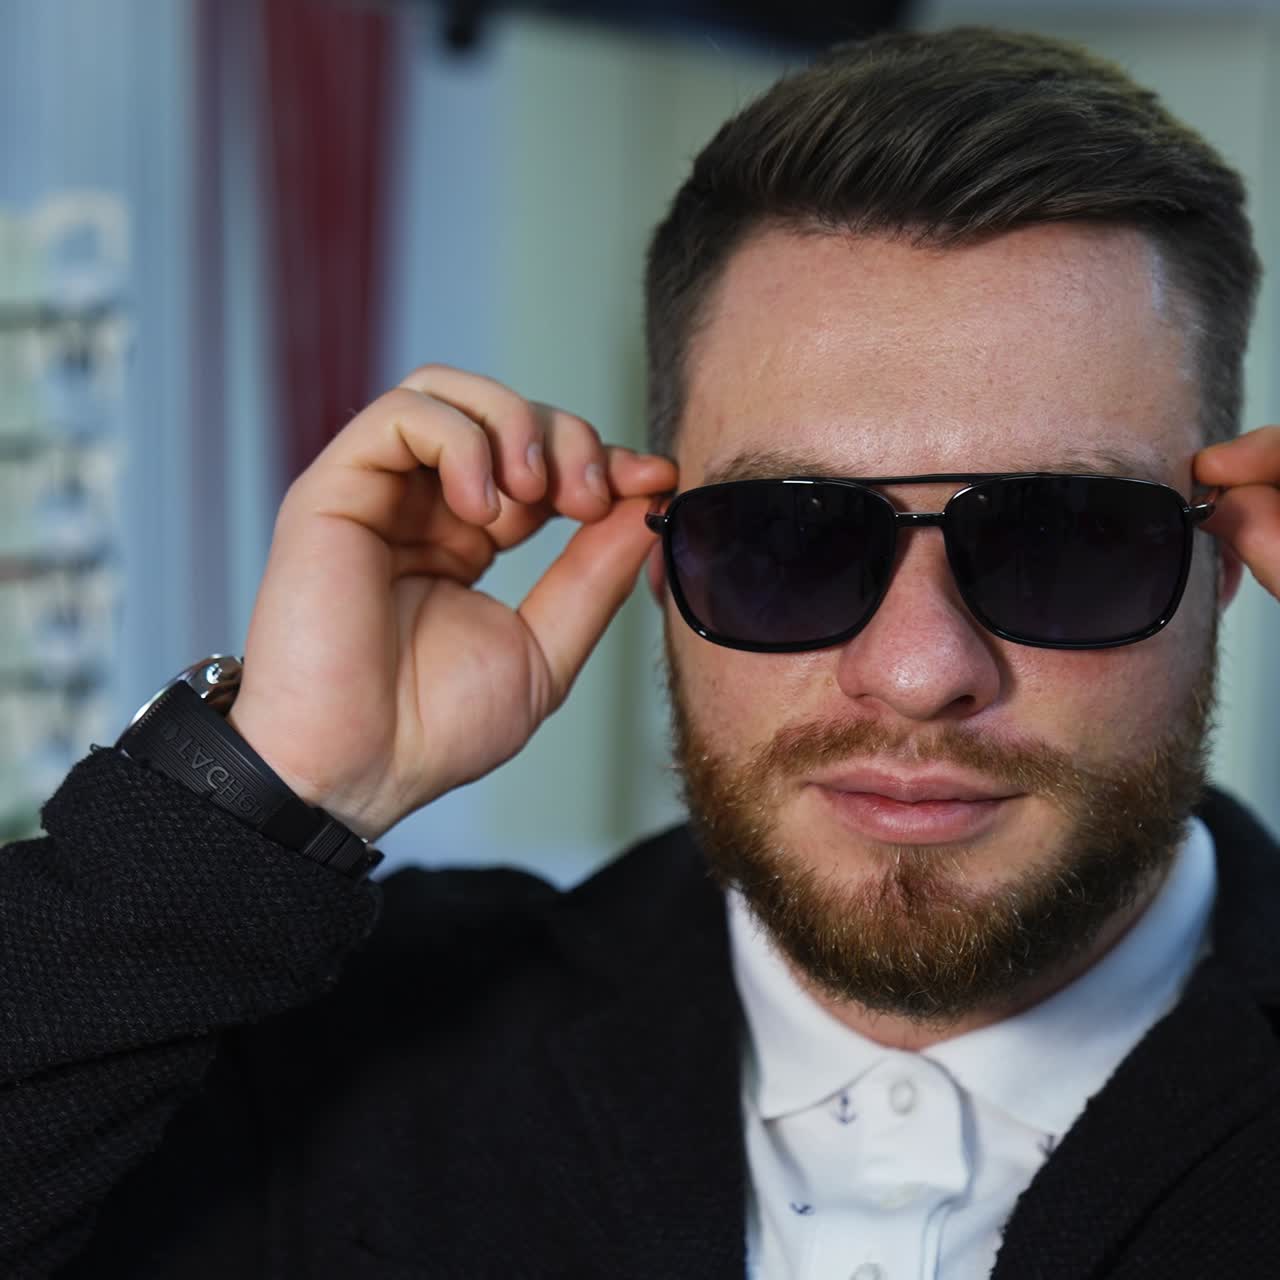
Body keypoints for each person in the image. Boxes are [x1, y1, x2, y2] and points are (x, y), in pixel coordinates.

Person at [4, 25, 1280, 1280]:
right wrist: (263, 789)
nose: (916, 668)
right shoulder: (324, 1057)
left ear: (1221, 559)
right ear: (659, 552)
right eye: (787, 536)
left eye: (1064, 543)